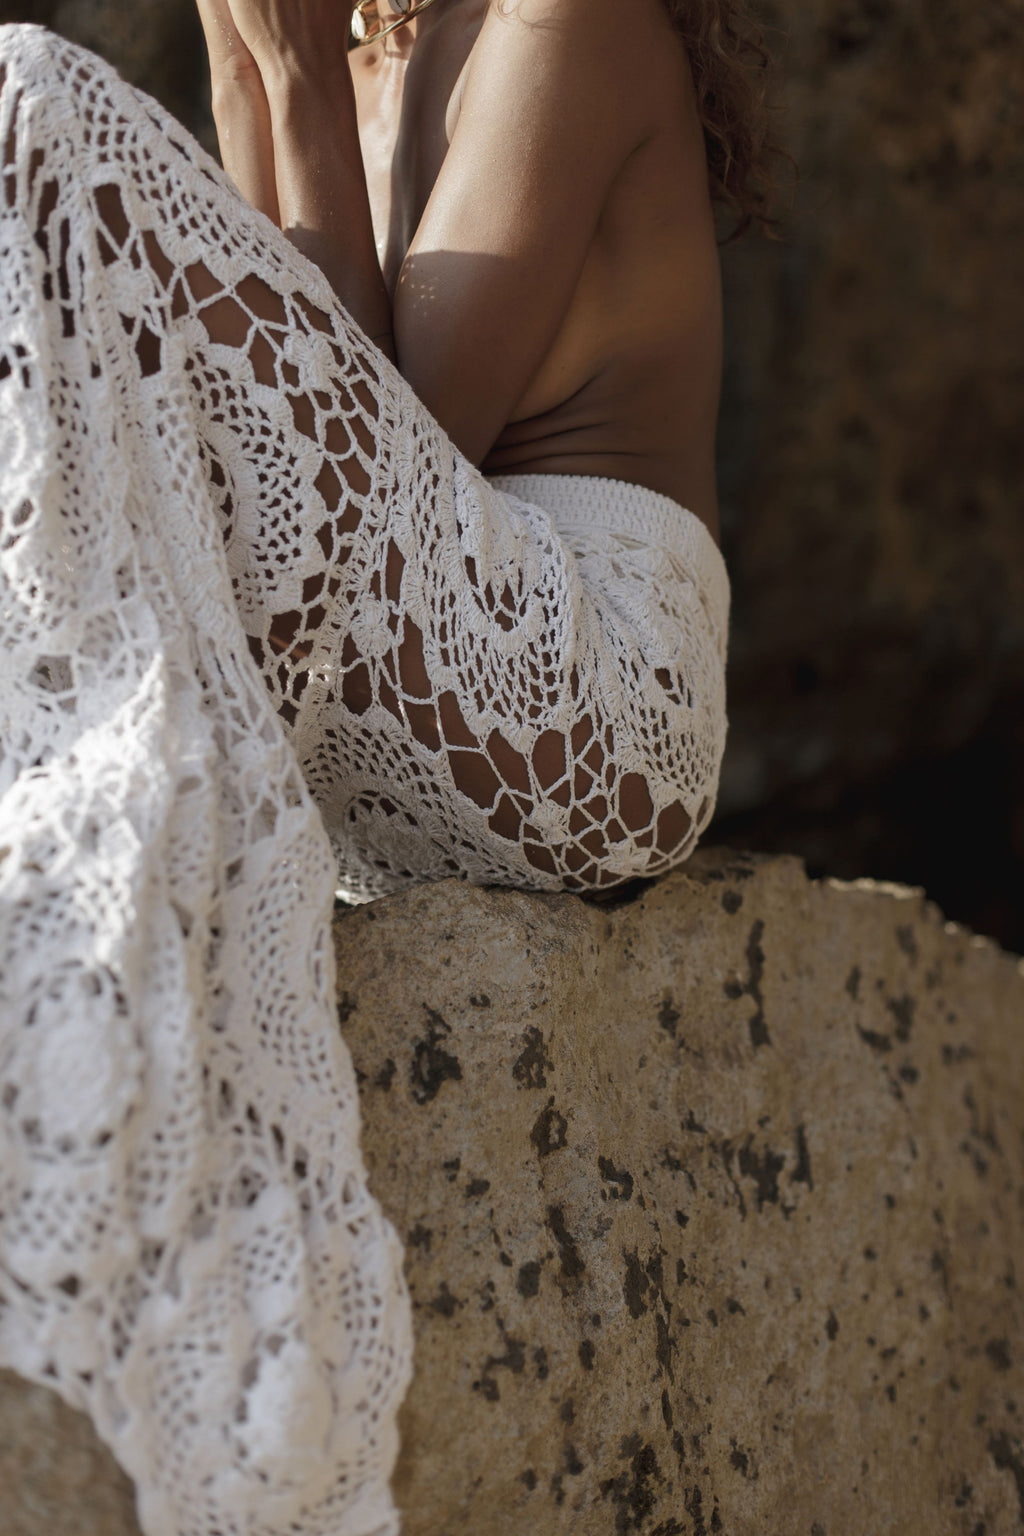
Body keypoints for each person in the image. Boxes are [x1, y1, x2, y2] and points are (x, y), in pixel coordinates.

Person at [0, 3, 775, 1533]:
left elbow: (383, 456)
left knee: (31, 99)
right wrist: (257, 67)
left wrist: (274, 72)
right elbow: (289, 467)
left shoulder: (568, 23)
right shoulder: (337, 43)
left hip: (595, 681)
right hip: (413, 716)